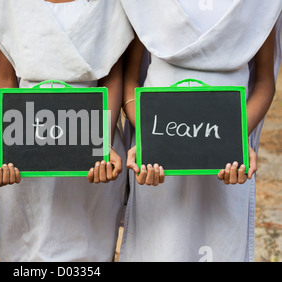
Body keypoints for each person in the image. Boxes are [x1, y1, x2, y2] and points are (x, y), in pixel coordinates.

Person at [0, 0, 133, 261]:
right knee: (26, 255)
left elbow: (111, 78)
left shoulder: (110, 5)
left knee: (90, 254)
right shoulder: (9, 5)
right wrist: (7, 145)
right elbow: (5, 79)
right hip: (25, 141)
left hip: (90, 147)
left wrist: (103, 143)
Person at [119, 0, 282, 261]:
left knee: (220, 241)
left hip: (224, 158)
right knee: (160, 245)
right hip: (160, 148)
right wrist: (151, 135)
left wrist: (234, 138)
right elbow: (130, 77)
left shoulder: (259, 4)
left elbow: (264, 80)